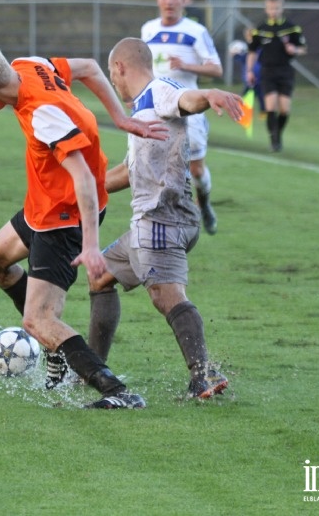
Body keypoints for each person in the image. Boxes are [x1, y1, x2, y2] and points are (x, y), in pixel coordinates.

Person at [0, 41, 166, 409]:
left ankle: (117, 392)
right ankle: (56, 348)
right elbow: (89, 66)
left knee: (36, 320)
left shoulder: (43, 117)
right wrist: (119, 118)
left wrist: (89, 245)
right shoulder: (31, 65)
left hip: (63, 218)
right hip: (42, 205)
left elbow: (83, 177)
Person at [88, 37, 243, 399]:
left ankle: (203, 374)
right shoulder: (142, 110)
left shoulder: (161, 90)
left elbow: (186, 100)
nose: (114, 82)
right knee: (99, 274)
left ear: (119, 68)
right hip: (151, 223)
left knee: (166, 295)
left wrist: (210, 94)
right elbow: (129, 172)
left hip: (161, 220)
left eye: (113, 74)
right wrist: (81, 188)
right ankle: (93, 367)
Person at [140, 0, 222, 236]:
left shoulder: (196, 31)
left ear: (183, 0)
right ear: (157, 0)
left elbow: (216, 68)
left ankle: (205, 202)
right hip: (157, 108)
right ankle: (165, 221)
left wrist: (186, 65)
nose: (169, 1)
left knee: (196, 169)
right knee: (156, 167)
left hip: (191, 108)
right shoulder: (148, 29)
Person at [246, 0, 307, 152]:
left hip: (285, 71)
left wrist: (294, 49)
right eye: (271, 8)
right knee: (270, 106)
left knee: (285, 109)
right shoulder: (260, 29)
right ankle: (274, 139)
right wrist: (250, 71)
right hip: (267, 71)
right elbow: (252, 52)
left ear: (282, 8)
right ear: (266, 9)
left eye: (277, 8)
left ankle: (278, 132)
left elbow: (303, 48)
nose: (274, 11)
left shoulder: (291, 27)